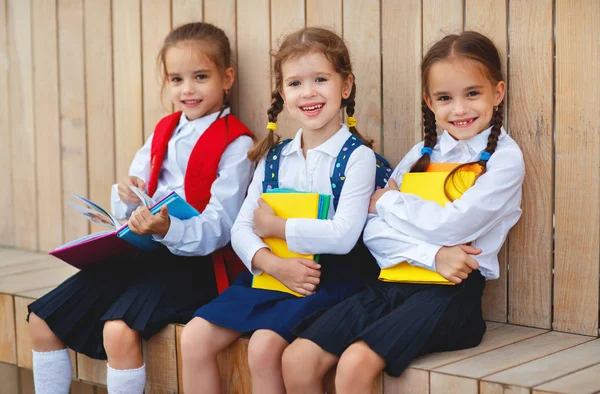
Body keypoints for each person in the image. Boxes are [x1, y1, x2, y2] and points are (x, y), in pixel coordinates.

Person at [283, 31, 525, 394]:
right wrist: (433, 254)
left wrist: (388, 202)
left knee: (354, 364)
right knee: (297, 359)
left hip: (449, 295)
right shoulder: (420, 155)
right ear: (429, 101)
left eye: (472, 94)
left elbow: (453, 226)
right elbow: (372, 231)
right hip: (391, 281)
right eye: (445, 98)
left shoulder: (505, 160)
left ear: (498, 92)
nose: (459, 109)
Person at [27, 22, 254, 394]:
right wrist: (128, 195)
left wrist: (167, 229)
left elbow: (220, 228)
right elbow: (135, 190)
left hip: (195, 267)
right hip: (142, 255)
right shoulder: (163, 131)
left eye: (200, 76)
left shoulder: (236, 144)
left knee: (117, 331)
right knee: (42, 320)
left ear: (227, 78)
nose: (187, 89)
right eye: (176, 79)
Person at [180, 26, 381, 394]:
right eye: (295, 84)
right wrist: (271, 263)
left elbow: (344, 235)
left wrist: (277, 227)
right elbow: (241, 228)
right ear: (282, 94)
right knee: (193, 337)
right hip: (272, 272)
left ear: (346, 86)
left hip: (326, 280)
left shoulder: (358, 158)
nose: (308, 93)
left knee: (263, 347)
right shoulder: (274, 157)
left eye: (320, 79)